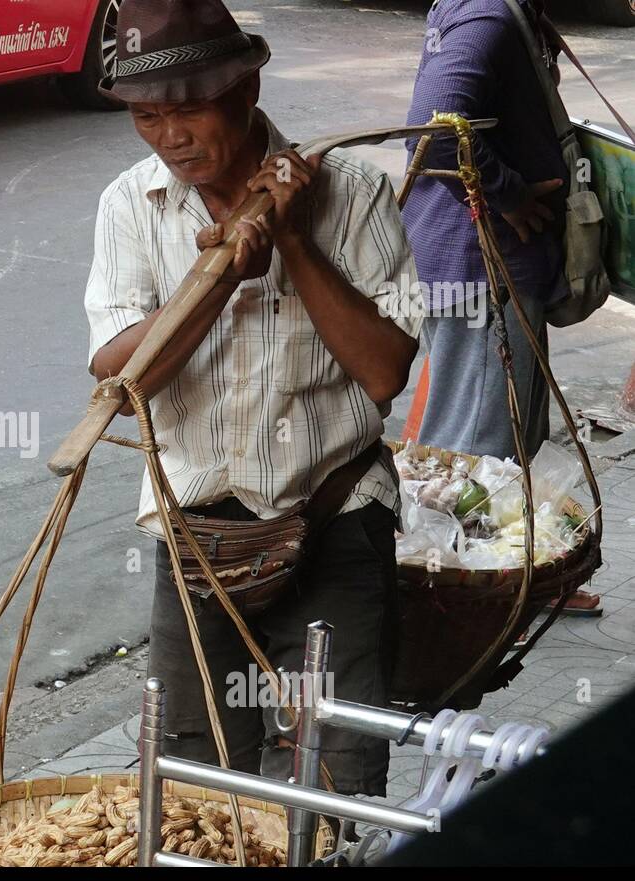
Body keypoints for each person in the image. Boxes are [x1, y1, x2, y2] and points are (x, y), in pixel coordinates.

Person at [85, 0, 421, 795]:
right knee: (192, 785)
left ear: (245, 89)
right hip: (197, 541)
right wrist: (222, 274)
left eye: (188, 111)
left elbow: (383, 373)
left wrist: (294, 239)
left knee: (324, 786)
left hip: (332, 520)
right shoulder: (132, 204)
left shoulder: (354, 192)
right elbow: (121, 381)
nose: (169, 138)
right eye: (145, 116)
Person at [404, 0, 600, 615]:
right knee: (477, 452)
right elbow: (435, 137)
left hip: (487, 267)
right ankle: (467, 600)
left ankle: (519, 577)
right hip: (479, 268)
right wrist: (509, 194)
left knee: (509, 440)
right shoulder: (488, 15)